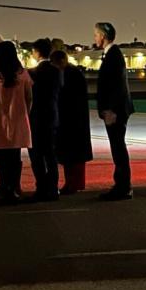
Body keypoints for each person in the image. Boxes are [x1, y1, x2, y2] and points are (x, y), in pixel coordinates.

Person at [0, 40, 33, 204]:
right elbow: (29, 97)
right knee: (15, 154)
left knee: (1, 155)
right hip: (18, 118)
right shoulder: (22, 73)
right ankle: (14, 186)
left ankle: (4, 185)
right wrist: (26, 112)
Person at [94, 22, 134, 200]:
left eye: (96, 34)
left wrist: (112, 110)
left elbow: (116, 86)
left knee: (118, 148)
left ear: (103, 36)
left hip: (115, 111)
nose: (94, 38)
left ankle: (123, 186)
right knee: (117, 147)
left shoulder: (114, 55)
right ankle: (122, 185)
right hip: (114, 109)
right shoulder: (111, 54)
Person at [50, 50, 93, 194]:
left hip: (73, 120)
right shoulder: (72, 73)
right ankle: (72, 183)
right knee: (71, 156)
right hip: (73, 120)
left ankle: (74, 184)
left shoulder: (71, 74)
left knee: (73, 157)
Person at [28, 38, 61, 201]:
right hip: (52, 116)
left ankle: (41, 187)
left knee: (37, 156)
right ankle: (53, 188)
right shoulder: (56, 71)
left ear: (37, 53)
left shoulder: (33, 73)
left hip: (36, 118)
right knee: (51, 155)